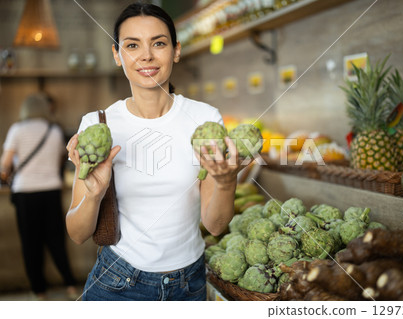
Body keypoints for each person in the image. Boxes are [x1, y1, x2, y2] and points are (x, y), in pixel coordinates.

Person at [65, 3, 246, 301]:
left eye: (158, 43)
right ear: (117, 55)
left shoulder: (205, 119)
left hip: (191, 283)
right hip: (117, 282)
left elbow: (215, 225)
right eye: (132, 45)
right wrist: (94, 194)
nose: (146, 55)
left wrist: (227, 182)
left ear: (175, 51)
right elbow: (77, 233)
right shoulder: (98, 125)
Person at [1, 93, 77, 301]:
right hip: (51, 190)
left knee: (30, 243)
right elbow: (62, 158)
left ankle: (39, 291)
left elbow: (4, 166)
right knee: (56, 240)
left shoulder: (17, 130)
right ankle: (71, 286)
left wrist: (8, 172)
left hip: (25, 192)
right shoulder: (54, 131)